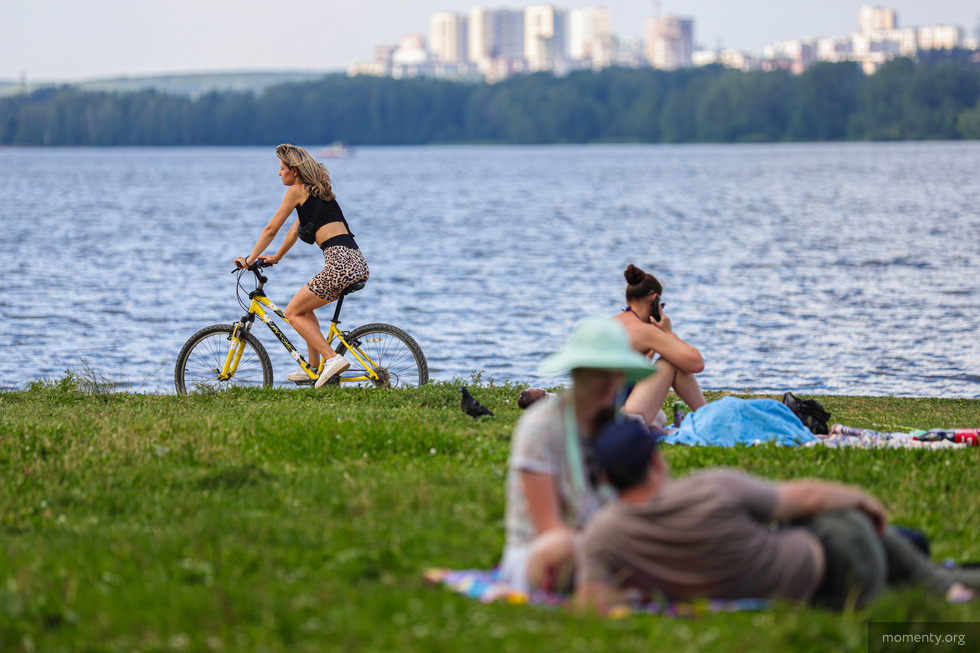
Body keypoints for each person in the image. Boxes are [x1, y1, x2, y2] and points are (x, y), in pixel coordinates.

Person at [575, 419, 980, 613]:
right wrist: (862, 500)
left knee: (901, 574)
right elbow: (806, 497)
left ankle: (946, 586)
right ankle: (947, 588)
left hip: (829, 598)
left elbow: (593, 599)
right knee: (854, 534)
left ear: (607, 478)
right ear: (656, 460)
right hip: (836, 557)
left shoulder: (602, 536)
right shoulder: (711, 486)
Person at [500, 317, 657, 594]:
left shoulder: (621, 427)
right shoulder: (541, 426)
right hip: (542, 550)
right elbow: (549, 526)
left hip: (607, 543)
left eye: (616, 371)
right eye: (599, 371)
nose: (610, 381)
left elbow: (650, 496)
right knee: (563, 549)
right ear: (577, 371)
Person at [233, 144, 369, 388]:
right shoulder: (318, 191)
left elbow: (271, 228)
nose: (279, 173)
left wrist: (250, 259)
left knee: (292, 312)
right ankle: (314, 369)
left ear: (294, 171)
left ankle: (331, 359)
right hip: (356, 261)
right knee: (305, 309)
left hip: (339, 264)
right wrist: (277, 256)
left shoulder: (295, 191)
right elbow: (296, 228)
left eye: (282, 168)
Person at [613, 264, 706, 428]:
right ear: (654, 299)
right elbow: (696, 363)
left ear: (628, 300)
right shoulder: (645, 332)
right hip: (618, 420)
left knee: (660, 417)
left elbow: (634, 373)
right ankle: (710, 419)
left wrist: (657, 344)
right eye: (660, 306)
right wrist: (668, 333)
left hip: (597, 416)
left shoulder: (613, 323)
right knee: (671, 362)